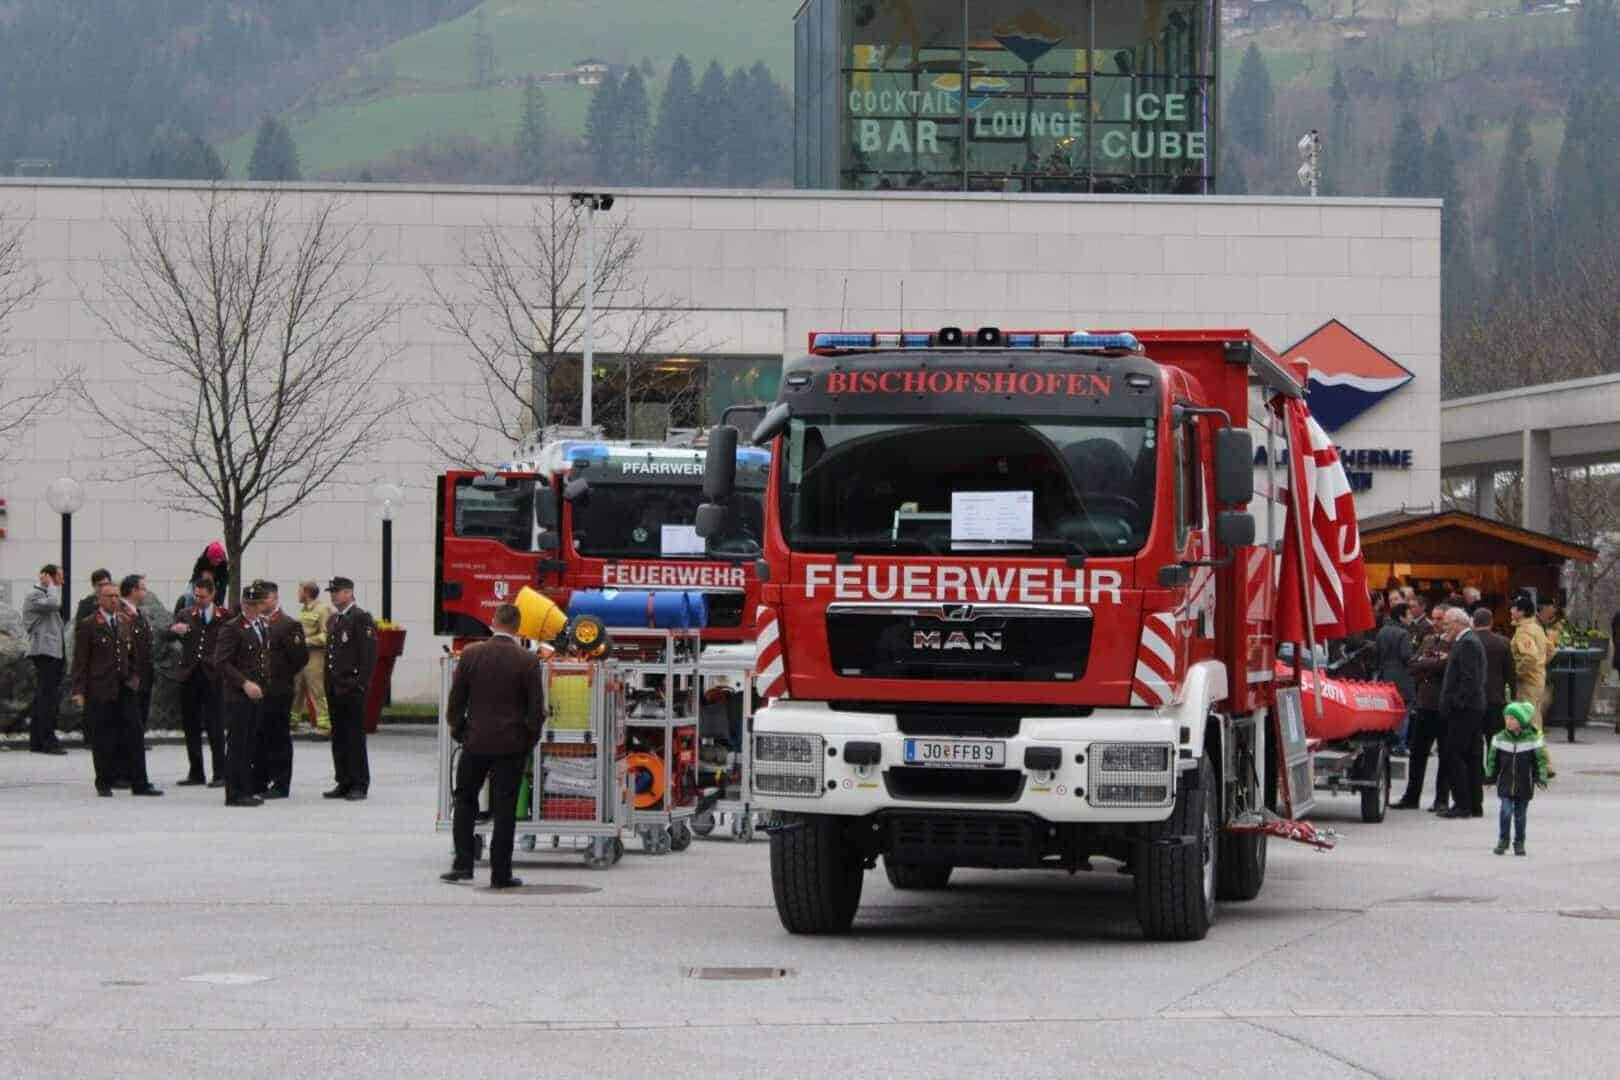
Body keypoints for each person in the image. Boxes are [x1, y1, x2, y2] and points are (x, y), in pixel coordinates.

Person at [441, 603, 544, 889]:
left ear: (493, 621)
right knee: (505, 809)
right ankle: (501, 873)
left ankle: (463, 863)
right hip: (511, 745)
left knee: (465, 800)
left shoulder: (472, 655)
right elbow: (535, 710)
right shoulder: (528, 661)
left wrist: (460, 730)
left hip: (475, 741)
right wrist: (527, 740)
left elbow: (456, 700)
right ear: (518, 627)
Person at [71, 580, 161, 797]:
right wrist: (79, 691)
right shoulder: (89, 624)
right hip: (100, 688)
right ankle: (104, 781)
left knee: (135, 733)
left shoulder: (124, 620)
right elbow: (80, 661)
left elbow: (131, 653)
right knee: (103, 736)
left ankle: (140, 782)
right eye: (109, 596)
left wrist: (135, 677)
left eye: (116, 596)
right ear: (99, 599)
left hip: (125, 686)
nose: (114, 600)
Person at [167, 576, 231, 787]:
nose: (198, 600)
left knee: (215, 725)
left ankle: (220, 773)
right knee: (191, 726)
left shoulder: (225, 616)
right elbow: (167, 634)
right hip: (190, 675)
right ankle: (196, 772)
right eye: (196, 595)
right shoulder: (185, 614)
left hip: (213, 677)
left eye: (202, 596)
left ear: (212, 595)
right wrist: (173, 630)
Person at [213, 585, 270, 808]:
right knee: (237, 744)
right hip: (238, 695)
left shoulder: (260, 625)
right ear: (245, 605)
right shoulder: (232, 628)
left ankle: (246, 788)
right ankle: (234, 792)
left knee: (249, 744)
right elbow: (221, 662)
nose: (255, 608)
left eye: (258, 604)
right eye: (251, 604)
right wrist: (244, 683)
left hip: (256, 694)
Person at [323, 576, 378, 802]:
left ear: (349, 593)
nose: (333, 595)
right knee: (339, 736)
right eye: (332, 592)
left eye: (337, 591)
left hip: (352, 687)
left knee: (354, 737)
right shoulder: (335, 619)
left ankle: (359, 782)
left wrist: (360, 684)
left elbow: (368, 656)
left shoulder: (360, 618)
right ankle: (343, 780)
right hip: (336, 687)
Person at [253, 581, 308, 799]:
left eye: (264, 598)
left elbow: (299, 658)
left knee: (278, 738)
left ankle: (280, 782)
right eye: (258, 598)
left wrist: (280, 676)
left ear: (275, 598)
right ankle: (259, 779)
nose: (260, 602)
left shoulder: (287, 625)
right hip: (258, 691)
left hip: (278, 690)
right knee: (259, 737)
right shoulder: (255, 622)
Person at [1395, 602, 1452, 810]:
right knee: (1417, 753)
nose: (1435, 623)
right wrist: (1432, 662)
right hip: (1424, 703)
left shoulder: (1453, 643)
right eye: (1434, 618)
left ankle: (1441, 799)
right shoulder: (1428, 640)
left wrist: (1427, 663)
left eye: (1440, 620)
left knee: (1445, 754)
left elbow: (1447, 666)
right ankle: (1411, 796)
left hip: (1443, 705)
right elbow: (1412, 665)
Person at [1437, 607, 1487, 820]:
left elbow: (1469, 679)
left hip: (1465, 710)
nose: (1443, 627)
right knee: (1472, 756)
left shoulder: (1467, 643)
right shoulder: (1469, 641)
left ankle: (1462, 804)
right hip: (1472, 707)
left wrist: (1456, 703)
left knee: (1455, 754)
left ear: (1458, 623)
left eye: (1447, 623)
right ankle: (1474, 804)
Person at [1486, 701, 1550, 856]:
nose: (1508, 721)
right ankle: (1503, 840)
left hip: (1524, 785)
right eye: (1506, 718)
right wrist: (1489, 778)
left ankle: (1519, 842)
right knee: (1506, 812)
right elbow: (1492, 760)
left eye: (1512, 719)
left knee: (1520, 817)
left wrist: (1541, 778)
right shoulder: (1499, 738)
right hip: (1505, 784)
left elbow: (1540, 761)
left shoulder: (1533, 739)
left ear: (1521, 722)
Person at [24, 565, 68, 755]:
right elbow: (53, 605)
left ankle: (37, 741)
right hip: (44, 651)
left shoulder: (45, 594)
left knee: (43, 697)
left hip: (52, 652)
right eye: (59, 576)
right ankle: (47, 740)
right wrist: (50, 585)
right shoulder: (36, 594)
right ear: (48, 577)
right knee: (47, 698)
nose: (63, 580)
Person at [1510, 595, 1554, 776]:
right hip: (1538, 680)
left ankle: (1544, 764)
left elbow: (1529, 656)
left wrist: (1517, 672)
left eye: (1513, 608)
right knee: (1533, 721)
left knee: (1531, 723)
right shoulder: (1537, 628)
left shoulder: (1524, 631)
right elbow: (1551, 649)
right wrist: (1541, 666)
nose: (1511, 611)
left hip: (1527, 682)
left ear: (1521, 611)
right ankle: (1538, 762)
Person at [1376, 602, 1416, 752]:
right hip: (1402, 677)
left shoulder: (1382, 631)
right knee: (1403, 710)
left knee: (1389, 710)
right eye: (1409, 614)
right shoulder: (1404, 633)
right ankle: (1399, 744)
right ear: (1401, 617)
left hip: (1385, 675)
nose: (1411, 616)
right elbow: (1406, 655)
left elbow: (1377, 654)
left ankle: (1387, 741)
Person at [294, 581, 333, 732]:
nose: (298, 594)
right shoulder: (305, 609)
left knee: (317, 691)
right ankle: (293, 722)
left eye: (300, 590)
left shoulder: (323, 609)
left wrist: (306, 641)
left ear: (307, 592)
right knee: (297, 690)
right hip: (302, 656)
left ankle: (324, 725)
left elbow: (326, 635)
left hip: (315, 657)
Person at [1475, 607, 1516, 742]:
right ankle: (1493, 763)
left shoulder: (1467, 641)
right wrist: (1514, 696)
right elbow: (1510, 672)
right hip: (1495, 698)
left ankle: (1477, 764)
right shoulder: (1503, 642)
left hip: (1473, 699)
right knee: (1495, 740)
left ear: (1474, 622)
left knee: (1474, 741)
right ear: (1491, 622)